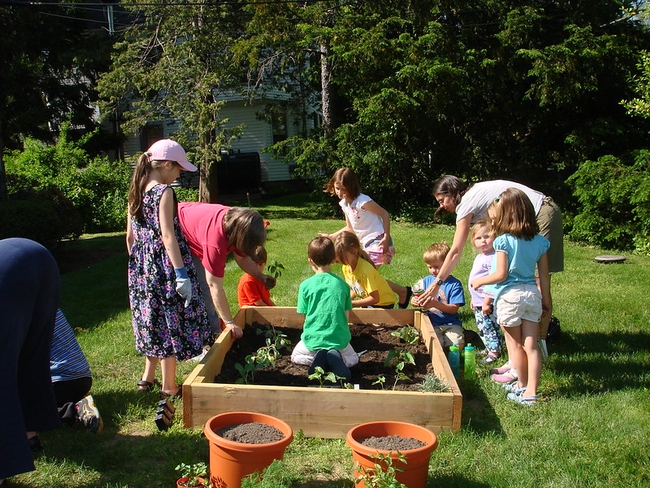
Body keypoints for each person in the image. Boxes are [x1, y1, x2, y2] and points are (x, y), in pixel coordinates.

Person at [417, 175, 563, 347]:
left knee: (537, 279)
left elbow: (456, 250)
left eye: (442, 200)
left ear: (452, 192)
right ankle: (526, 341)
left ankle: (539, 341)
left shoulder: (466, 204)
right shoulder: (473, 197)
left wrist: (437, 284)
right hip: (535, 212)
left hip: (541, 211)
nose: (441, 206)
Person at [126, 139, 212, 399]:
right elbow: (167, 235)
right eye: (178, 169)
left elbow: (130, 237)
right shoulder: (164, 192)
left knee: (151, 319)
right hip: (165, 266)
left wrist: (141, 266)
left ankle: (146, 378)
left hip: (141, 267)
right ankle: (169, 386)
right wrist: (181, 273)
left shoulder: (136, 189)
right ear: (165, 165)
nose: (178, 175)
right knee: (169, 320)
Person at [470, 188, 551, 406]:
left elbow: (500, 274)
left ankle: (522, 386)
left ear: (505, 214)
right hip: (532, 295)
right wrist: (547, 302)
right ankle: (529, 390)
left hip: (510, 297)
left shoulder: (503, 242)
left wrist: (479, 281)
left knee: (515, 346)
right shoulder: (541, 242)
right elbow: (543, 276)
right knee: (531, 346)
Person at [0, 238, 61, 486]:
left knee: (4, 370)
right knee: (31, 357)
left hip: (12, 270)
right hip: (39, 257)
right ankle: (30, 435)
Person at [177, 203, 276, 339]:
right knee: (198, 288)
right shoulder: (216, 243)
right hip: (175, 231)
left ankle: (210, 331)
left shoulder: (237, 223)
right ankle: (212, 334)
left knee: (201, 287)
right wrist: (230, 322)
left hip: (196, 227)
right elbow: (214, 285)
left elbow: (242, 258)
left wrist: (260, 277)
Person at [319, 167, 412, 307]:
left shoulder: (363, 201)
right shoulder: (344, 204)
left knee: (366, 274)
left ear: (352, 186)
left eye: (344, 189)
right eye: (337, 188)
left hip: (378, 240)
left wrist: (386, 238)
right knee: (370, 276)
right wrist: (332, 236)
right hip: (365, 243)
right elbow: (350, 227)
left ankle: (372, 301)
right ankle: (402, 291)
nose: (340, 193)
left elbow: (385, 214)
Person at [291, 236, 357, 382]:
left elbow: (305, 317)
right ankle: (337, 358)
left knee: (295, 356)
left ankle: (318, 358)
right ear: (334, 258)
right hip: (339, 340)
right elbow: (346, 319)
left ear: (310, 261)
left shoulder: (305, 286)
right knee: (354, 357)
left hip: (313, 340)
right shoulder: (343, 286)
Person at [51, 309, 103, 433]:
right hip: (81, 377)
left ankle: (73, 411)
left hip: (59, 380)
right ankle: (79, 402)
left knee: (17, 408)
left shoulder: (18, 311)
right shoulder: (45, 301)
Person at [411, 242, 466, 352]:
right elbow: (415, 298)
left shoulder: (454, 284)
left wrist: (435, 304)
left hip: (450, 323)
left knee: (457, 345)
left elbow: (453, 309)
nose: (432, 270)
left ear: (447, 265)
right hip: (431, 322)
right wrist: (414, 301)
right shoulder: (425, 281)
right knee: (434, 346)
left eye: (436, 267)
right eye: (429, 267)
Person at [468, 221, 504, 364]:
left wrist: (486, 302)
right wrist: (473, 298)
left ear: (495, 237)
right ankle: (489, 347)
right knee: (482, 327)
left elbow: (493, 282)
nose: (483, 241)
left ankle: (494, 351)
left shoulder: (493, 258)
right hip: (478, 301)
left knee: (490, 327)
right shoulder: (480, 257)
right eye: (479, 238)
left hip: (487, 302)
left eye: (487, 236)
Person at [334, 231, 398, 309]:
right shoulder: (346, 267)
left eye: (343, 257)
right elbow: (354, 289)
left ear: (354, 251)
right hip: (370, 301)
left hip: (383, 304)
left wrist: (352, 303)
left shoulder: (365, 270)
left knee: (358, 318)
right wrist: (346, 301)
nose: (340, 260)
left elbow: (375, 298)